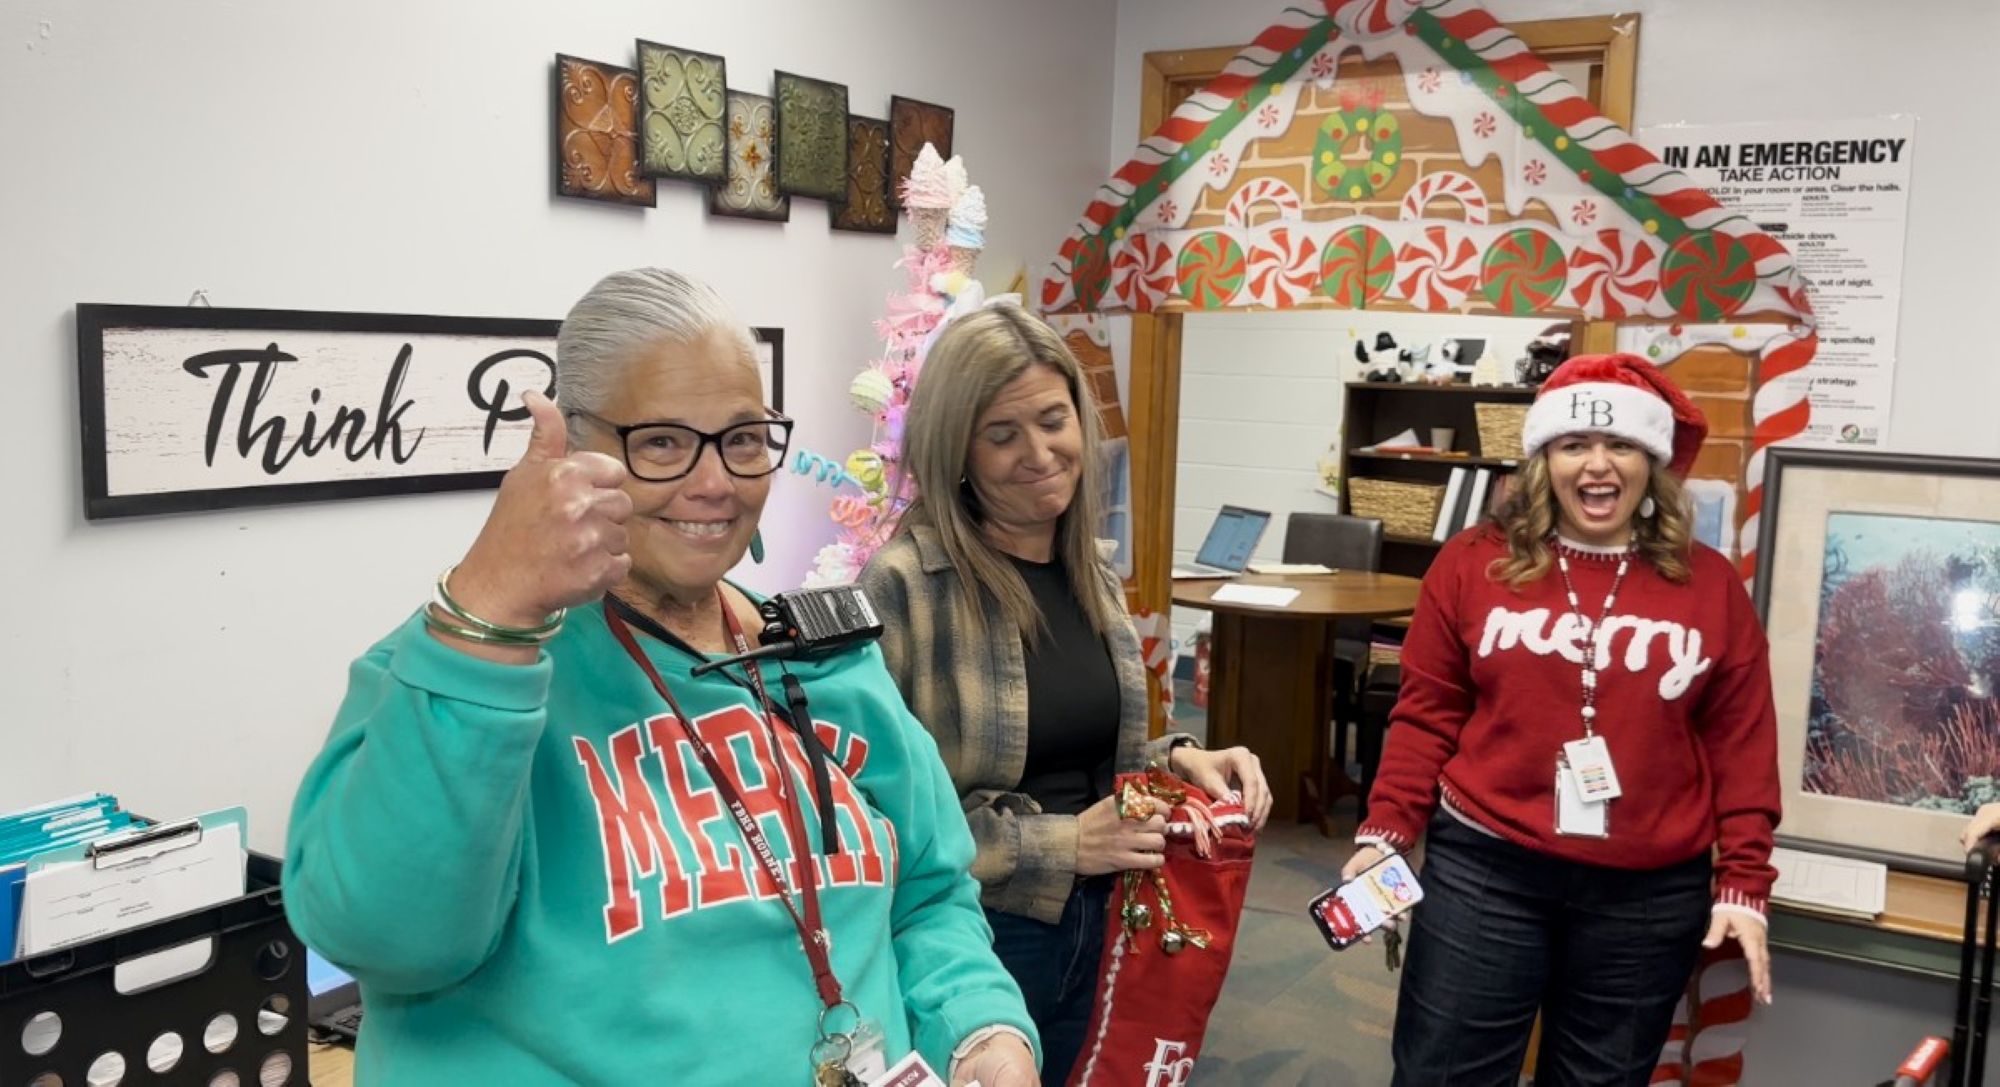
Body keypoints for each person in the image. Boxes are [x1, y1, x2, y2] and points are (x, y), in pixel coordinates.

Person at [285, 269, 1039, 1086]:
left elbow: (928, 895)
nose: (714, 481)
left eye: (743, 437)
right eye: (662, 442)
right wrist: (491, 607)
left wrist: (981, 1033)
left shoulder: (825, 658)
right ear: (573, 447)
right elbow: (387, 937)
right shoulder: (457, 672)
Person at [858, 303, 1273, 1082]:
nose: (1040, 453)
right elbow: (876, 822)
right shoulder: (905, 585)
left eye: (1054, 420)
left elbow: (1087, 755)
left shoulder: (1087, 567)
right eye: (1002, 433)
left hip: (1112, 915)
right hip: (980, 939)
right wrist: (1064, 844)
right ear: (958, 451)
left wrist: (1180, 758)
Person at [1345, 353, 1781, 1087]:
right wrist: (1386, 830)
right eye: (1575, 444)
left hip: (1646, 894)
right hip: (1487, 868)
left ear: (1652, 460)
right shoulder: (1471, 562)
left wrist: (1744, 882)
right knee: (1440, 1074)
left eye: (1621, 446)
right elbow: (1427, 713)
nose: (1597, 466)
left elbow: (1741, 742)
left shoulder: (1709, 586)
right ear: (1544, 457)